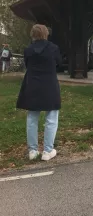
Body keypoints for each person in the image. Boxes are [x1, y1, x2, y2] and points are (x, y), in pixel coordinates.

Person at [16, 24, 62, 161]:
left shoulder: (28, 50)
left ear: (33, 35)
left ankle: (33, 151)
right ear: (46, 34)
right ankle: (47, 151)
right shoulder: (53, 48)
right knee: (52, 117)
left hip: (32, 85)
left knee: (32, 118)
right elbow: (59, 63)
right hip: (49, 85)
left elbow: (27, 64)